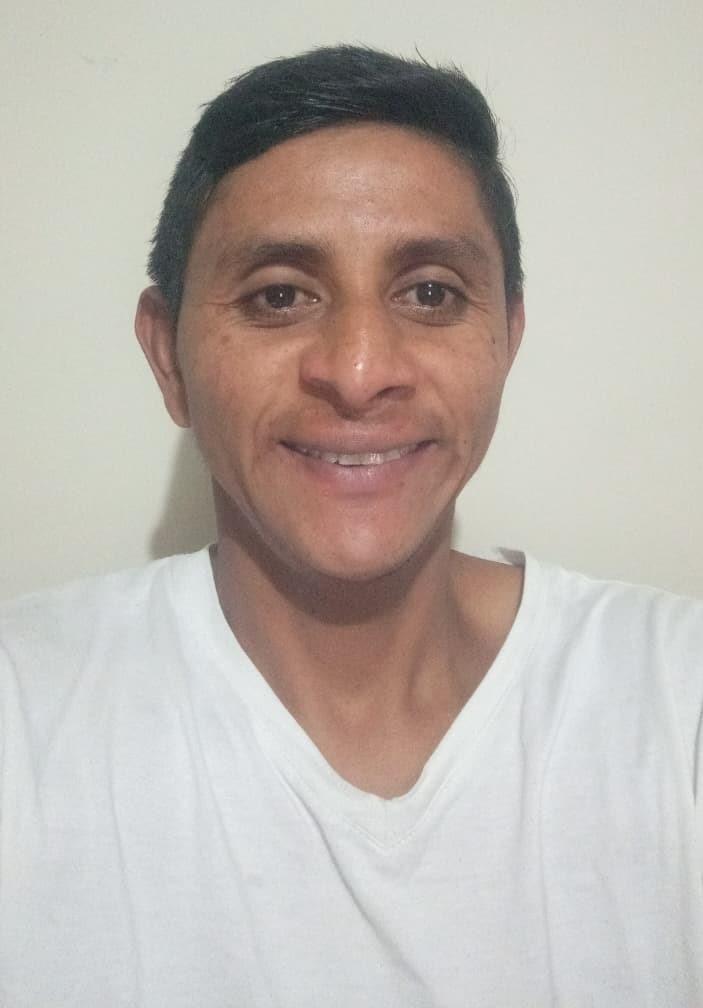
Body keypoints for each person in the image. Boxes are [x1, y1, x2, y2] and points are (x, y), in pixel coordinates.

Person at [1, 44, 702, 1008]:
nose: (361, 371)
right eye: (279, 295)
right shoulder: (25, 716)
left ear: (507, 338)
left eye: (430, 292)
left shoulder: (674, 701)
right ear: (168, 358)